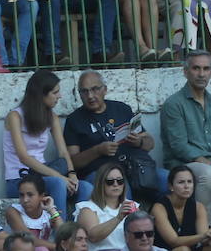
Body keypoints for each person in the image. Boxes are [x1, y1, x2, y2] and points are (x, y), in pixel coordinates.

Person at [160, 51, 211, 224]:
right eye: (196, 68)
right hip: (184, 163)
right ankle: (206, 230)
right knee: (209, 175)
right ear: (185, 71)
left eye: (206, 68)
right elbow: (179, 146)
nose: (201, 74)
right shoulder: (174, 104)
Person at [64, 71, 163, 203]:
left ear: (105, 89)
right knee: (120, 186)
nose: (90, 96)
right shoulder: (74, 120)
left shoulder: (122, 109)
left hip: (134, 166)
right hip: (101, 173)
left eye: (95, 89)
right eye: (84, 91)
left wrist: (138, 142)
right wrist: (97, 151)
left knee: (169, 180)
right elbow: (72, 162)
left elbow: (150, 143)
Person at [4, 71, 82, 214]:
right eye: (55, 92)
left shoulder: (52, 117)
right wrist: (60, 177)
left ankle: (79, 231)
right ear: (41, 95)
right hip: (19, 179)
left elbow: (63, 152)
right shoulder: (15, 116)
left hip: (42, 175)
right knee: (58, 184)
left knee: (85, 187)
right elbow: (24, 157)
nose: (59, 96)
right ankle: (60, 232)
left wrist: (71, 174)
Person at [151, 166, 211, 251]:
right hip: (166, 249)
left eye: (190, 182)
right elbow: (173, 241)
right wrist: (204, 236)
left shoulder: (198, 207)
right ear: (171, 186)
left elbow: (203, 238)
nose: (186, 186)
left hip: (191, 249)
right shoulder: (159, 208)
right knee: (183, 249)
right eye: (181, 182)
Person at [74, 163, 137, 251]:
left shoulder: (132, 205)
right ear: (101, 184)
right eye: (110, 181)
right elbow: (93, 237)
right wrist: (118, 218)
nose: (116, 184)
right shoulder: (87, 208)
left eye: (120, 181)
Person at [6, 174, 59, 249]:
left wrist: (52, 210)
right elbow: (30, 240)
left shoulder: (47, 213)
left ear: (41, 196)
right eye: (21, 195)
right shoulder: (13, 211)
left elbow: (66, 235)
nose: (25, 200)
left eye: (30, 195)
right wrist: (59, 247)